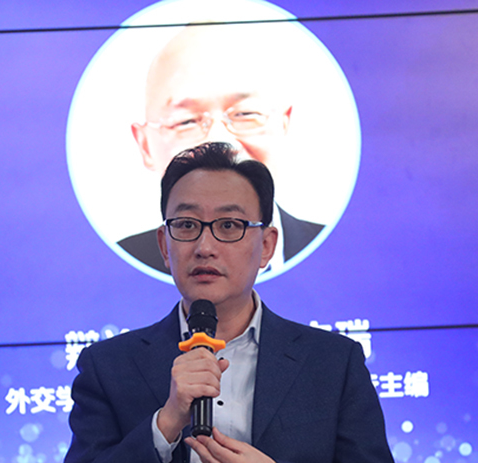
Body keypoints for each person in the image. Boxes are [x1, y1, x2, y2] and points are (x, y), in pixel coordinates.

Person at [56, 142, 405, 463]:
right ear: (164, 245)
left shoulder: (330, 360)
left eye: (229, 225)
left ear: (267, 244)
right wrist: (164, 425)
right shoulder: (109, 365)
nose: (204, 246)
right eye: (186, 225)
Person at [119, 22, 324, 274]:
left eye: (245, 114)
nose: (219, 141)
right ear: (145, 145)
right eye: (186, 121)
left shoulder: (342, 254)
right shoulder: (116, 267)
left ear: (283, 125)